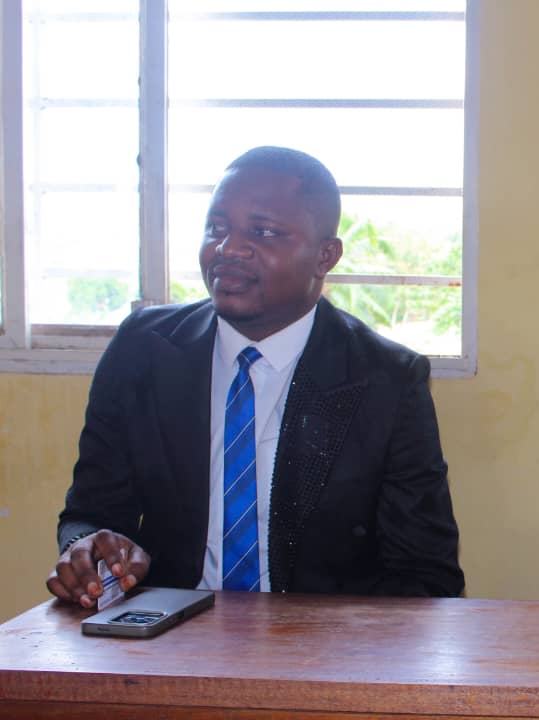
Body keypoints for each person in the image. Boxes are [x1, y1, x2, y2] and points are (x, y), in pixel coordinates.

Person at [48, 146, 464, 607]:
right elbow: (91, 512)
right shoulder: (142, 350)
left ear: (325, 256)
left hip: (319, 638)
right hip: (169, 629)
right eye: (217, 228)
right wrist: (91, 551)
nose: (228, 249)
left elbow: (425, 573)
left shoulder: (386, 380)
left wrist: (320, 639)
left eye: (263, 232)